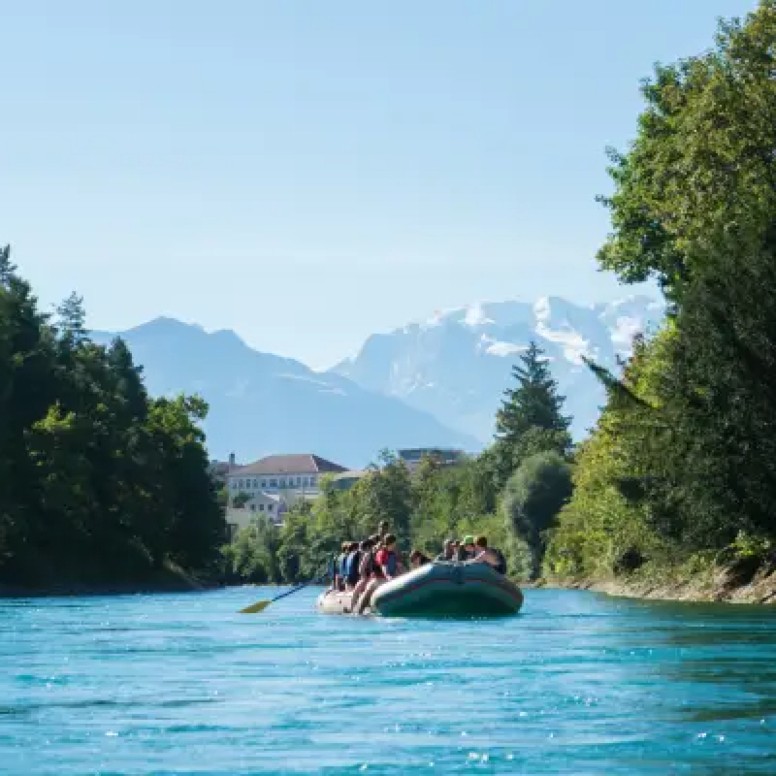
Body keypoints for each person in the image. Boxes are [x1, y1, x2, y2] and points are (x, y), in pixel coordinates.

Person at [355, 533, 402, 614]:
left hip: (388, 579)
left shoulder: (392, 553)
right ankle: (359, 612)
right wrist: (388, 577)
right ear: (391, 543)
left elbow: (399, 566)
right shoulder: (382, 553)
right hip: (378, 579)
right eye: (394, 543)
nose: (395, 545)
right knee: (369, 589)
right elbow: (383, 566)